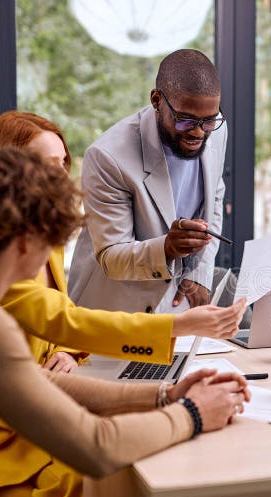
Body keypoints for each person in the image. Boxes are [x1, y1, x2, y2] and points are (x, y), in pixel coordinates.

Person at [0, 111, 246, 497]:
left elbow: (52, 329)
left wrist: (69, 353)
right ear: (3, 173)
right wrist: (185, 395)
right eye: (43, 166)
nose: (59, 179)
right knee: (110, 486)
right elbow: (65, 320)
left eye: (61, 164)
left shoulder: (33, 243)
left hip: (31, 421)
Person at [69, 49, 226, 313]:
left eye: (207, 121)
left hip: (174, 306)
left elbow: (215, 199)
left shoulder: (217, 129)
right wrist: (167, 248)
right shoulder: (107, 157)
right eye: (185, 120)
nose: (198, 132)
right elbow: (111, 256)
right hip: (113, 312)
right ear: (156, 100)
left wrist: (198, 273)